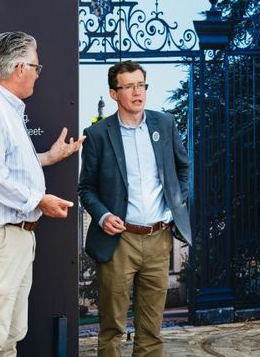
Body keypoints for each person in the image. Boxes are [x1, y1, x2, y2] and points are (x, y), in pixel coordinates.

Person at [0, 31, 84, 357]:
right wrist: (38, 200)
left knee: (8, 336)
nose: (39, 73)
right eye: (37, 66)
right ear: (20, 67)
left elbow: (0, 166)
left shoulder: (2, 108)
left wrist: (48, 158)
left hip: (11, 240)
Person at [78, 60, 191, 357]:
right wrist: (102, 216)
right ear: (114, 93)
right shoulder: (98, 134)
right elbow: (86, 188)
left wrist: (176, 203)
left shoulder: (165, 124)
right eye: (128, 87)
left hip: (158, 238)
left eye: (141, 85)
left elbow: (183, 167)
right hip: (119, 241)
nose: (137, 93)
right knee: (112, 327)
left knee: (151, 330)